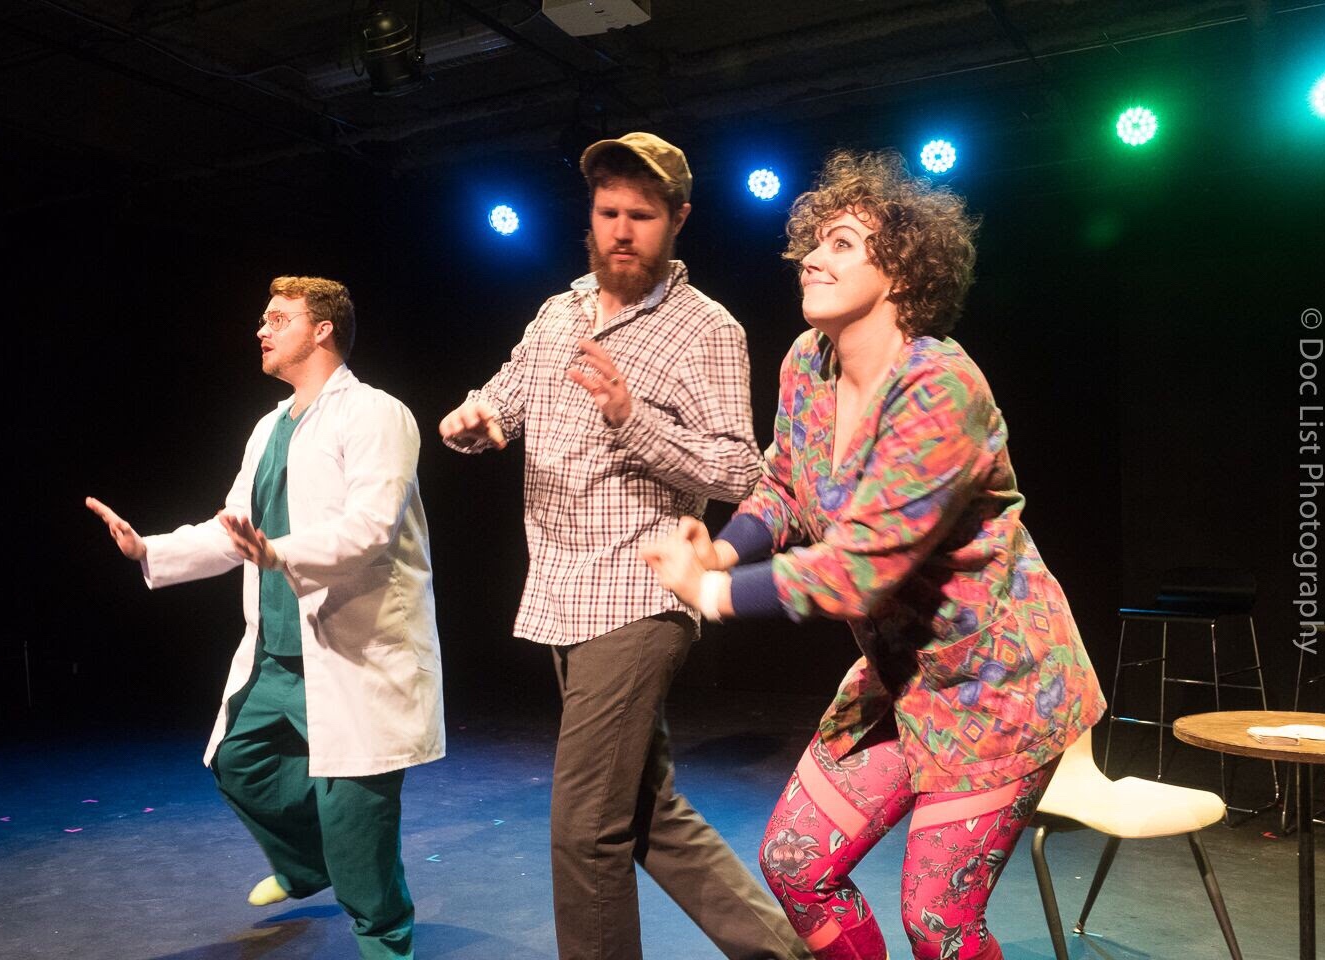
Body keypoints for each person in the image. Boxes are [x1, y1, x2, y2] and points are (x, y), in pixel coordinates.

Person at [640, 150, 1106, 960]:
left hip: (998, 686)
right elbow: (785, 486)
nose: (812, 258)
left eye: (843, 243)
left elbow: (858, 570)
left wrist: (711, 595)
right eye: (813, 242)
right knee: (797, 864)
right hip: (900, 677)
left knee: (938, 920)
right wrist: (720, 549)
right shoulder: (807, 363)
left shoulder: (939, 388)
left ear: (902, 271)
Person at [439, 132, 808, 960]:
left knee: (584, 830)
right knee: (646, 813)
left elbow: (740, 468)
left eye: (641, 216)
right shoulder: (558, 312)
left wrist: (630, 418)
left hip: (638, 596)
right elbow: (503, 401)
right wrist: (473, 421)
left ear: (678, 219)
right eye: (609, 212)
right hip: (561, 590)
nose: (621, 231)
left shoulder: (704, 329)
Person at [86, 276, 443, 960]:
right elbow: (235, 530)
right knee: (239, 762)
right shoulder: (268, 427)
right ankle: (309, 866)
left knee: (356, 821)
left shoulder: (377, 414)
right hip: (281, 654)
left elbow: (371, 528)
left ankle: (385, 942)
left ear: (323, 329)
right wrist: (149, 549)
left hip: (356, 653)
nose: (262, 329)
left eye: (278, 318)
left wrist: (280, 553)